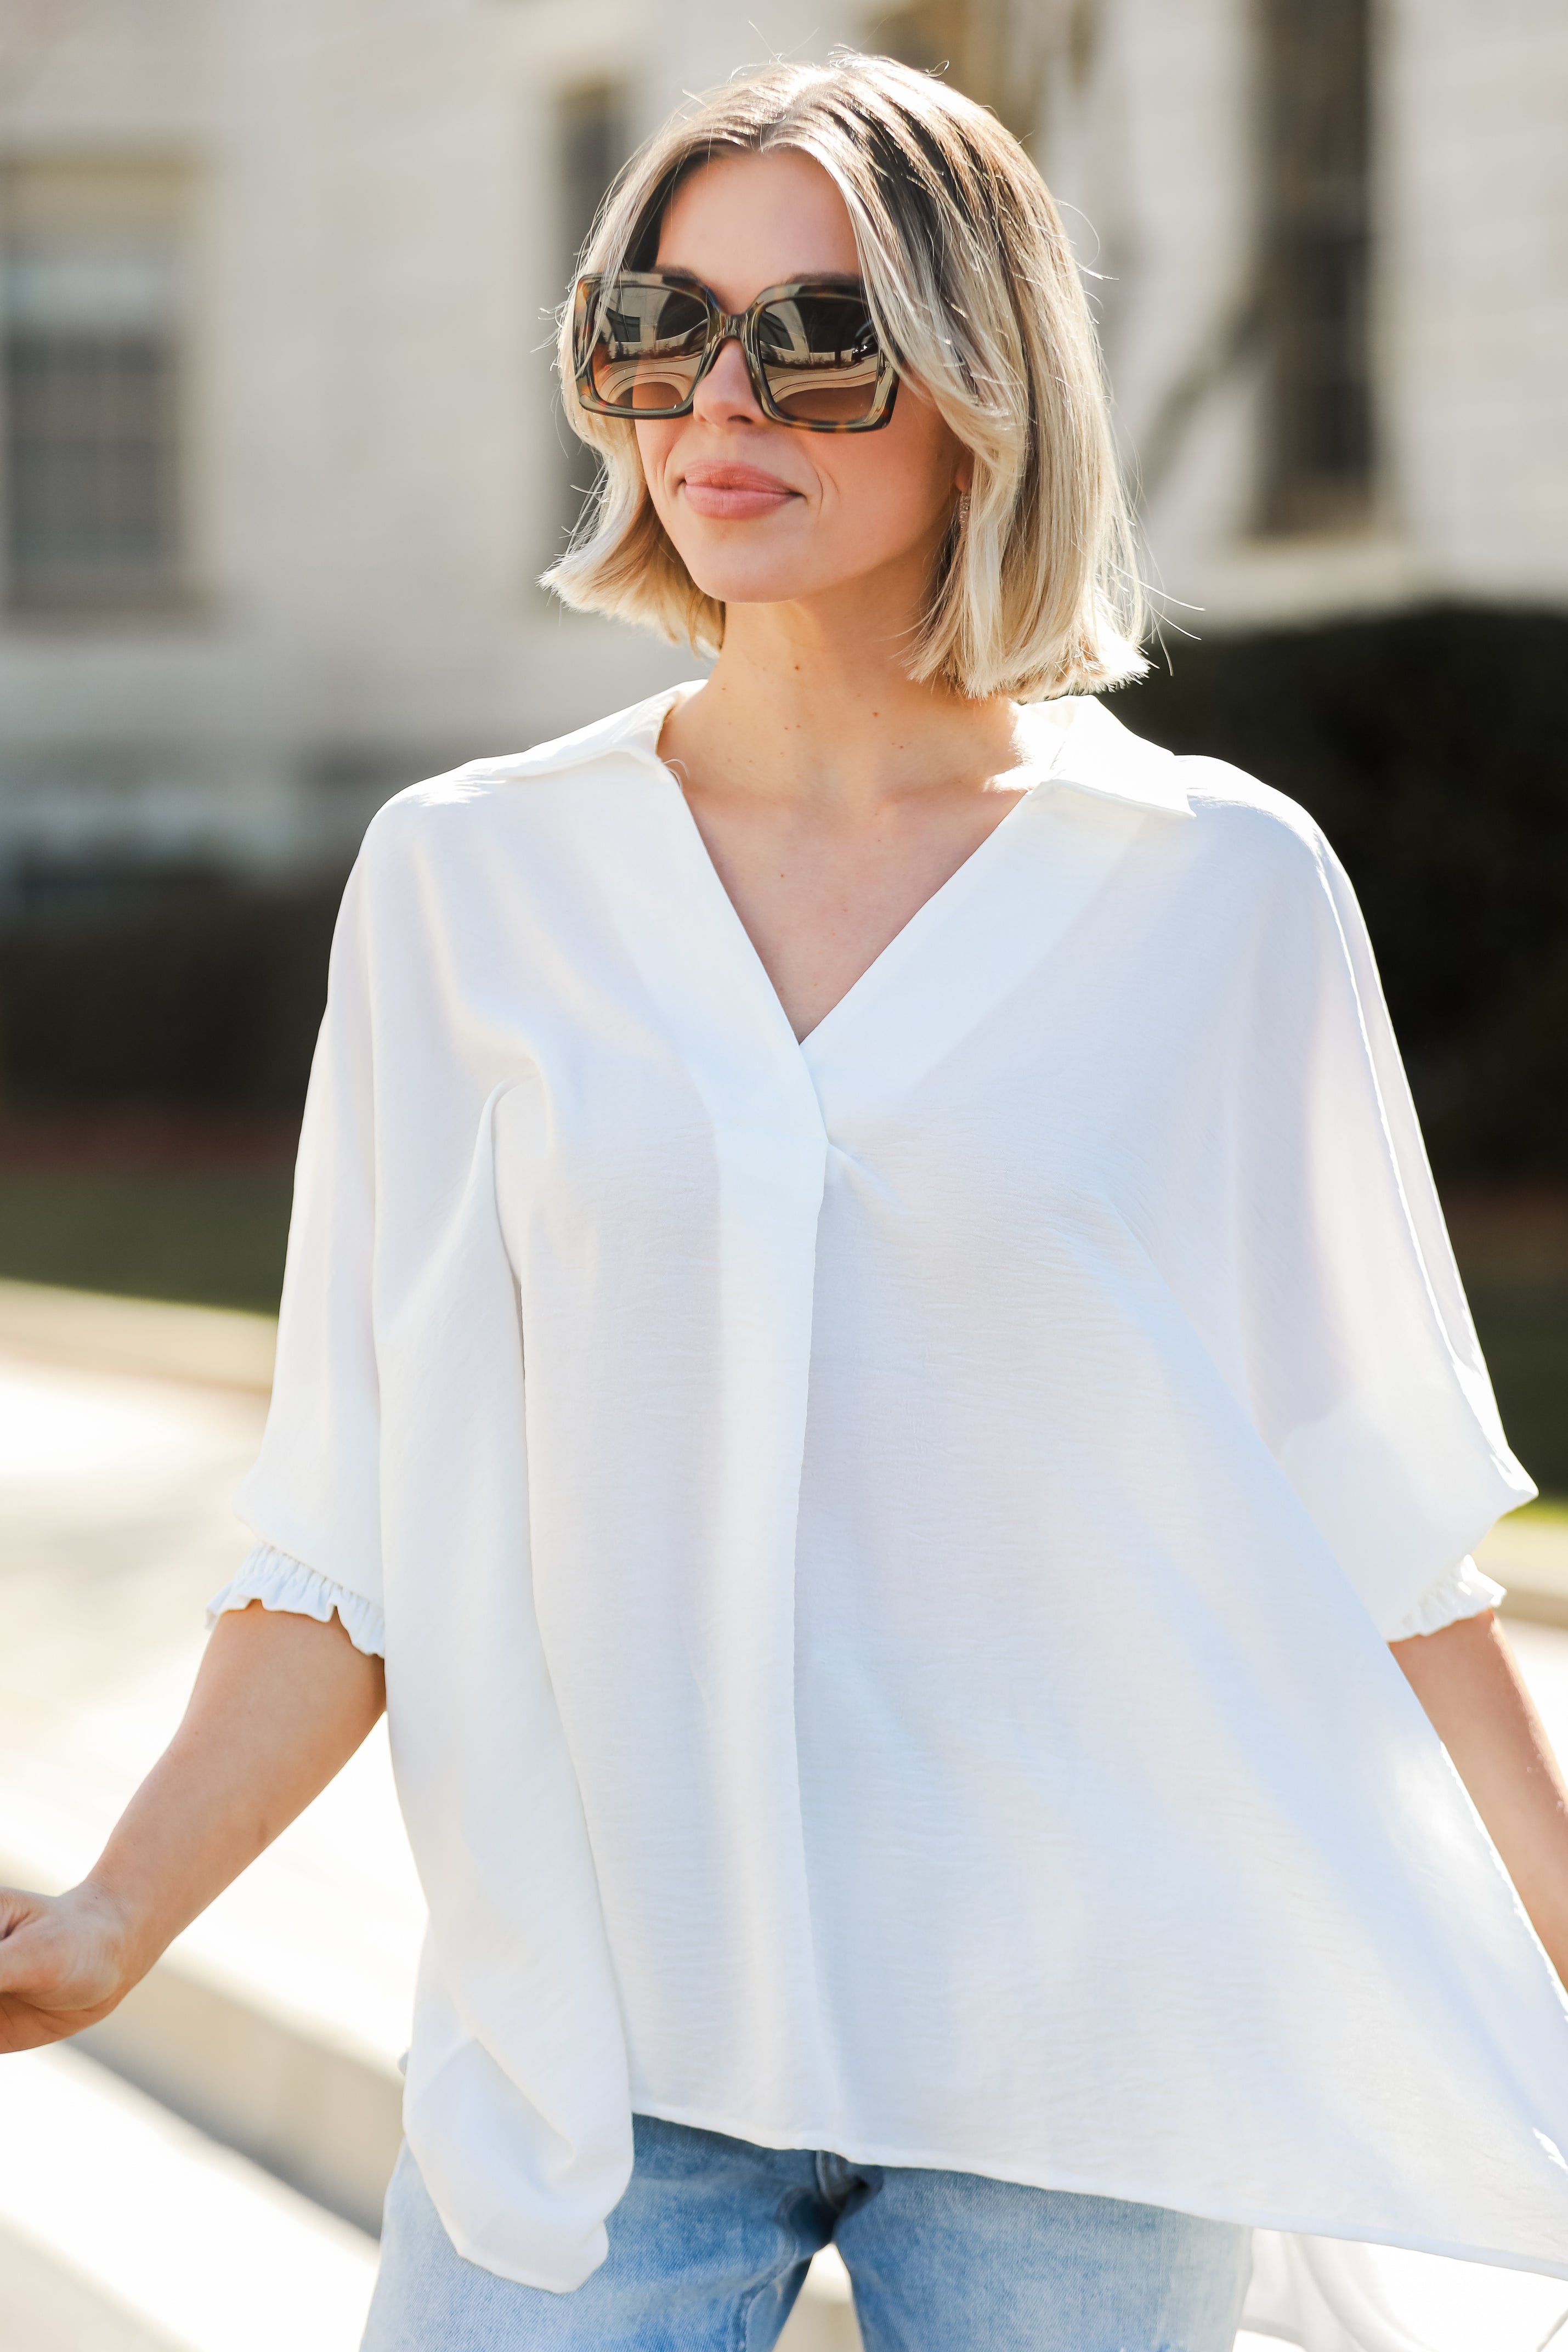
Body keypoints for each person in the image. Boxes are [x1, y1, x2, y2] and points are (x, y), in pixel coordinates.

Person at [3, 55, 1566, 2352]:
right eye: (661, 327)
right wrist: (116, 1918)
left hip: (1090, 2046)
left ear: (977, 382)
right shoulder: (471, 885)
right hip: (598, 2045)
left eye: (813, 338)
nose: (717, 397)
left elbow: (1380, 1517)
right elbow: (347, 1537)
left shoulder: (1217, 888)